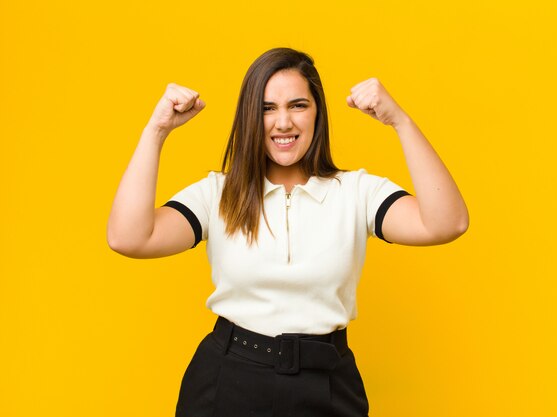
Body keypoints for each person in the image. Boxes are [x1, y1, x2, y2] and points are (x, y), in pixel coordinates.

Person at [107, 47, 469, 417]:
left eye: (298, 105)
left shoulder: (358, 192)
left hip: (326, 382)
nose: (283, 123)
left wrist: (400, 122)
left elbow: (447, 223)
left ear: (318, 113)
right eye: (267, 108)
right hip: (228, 379)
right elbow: (129, 238)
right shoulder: (217, 193)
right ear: (250, 117)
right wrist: (156, 131)